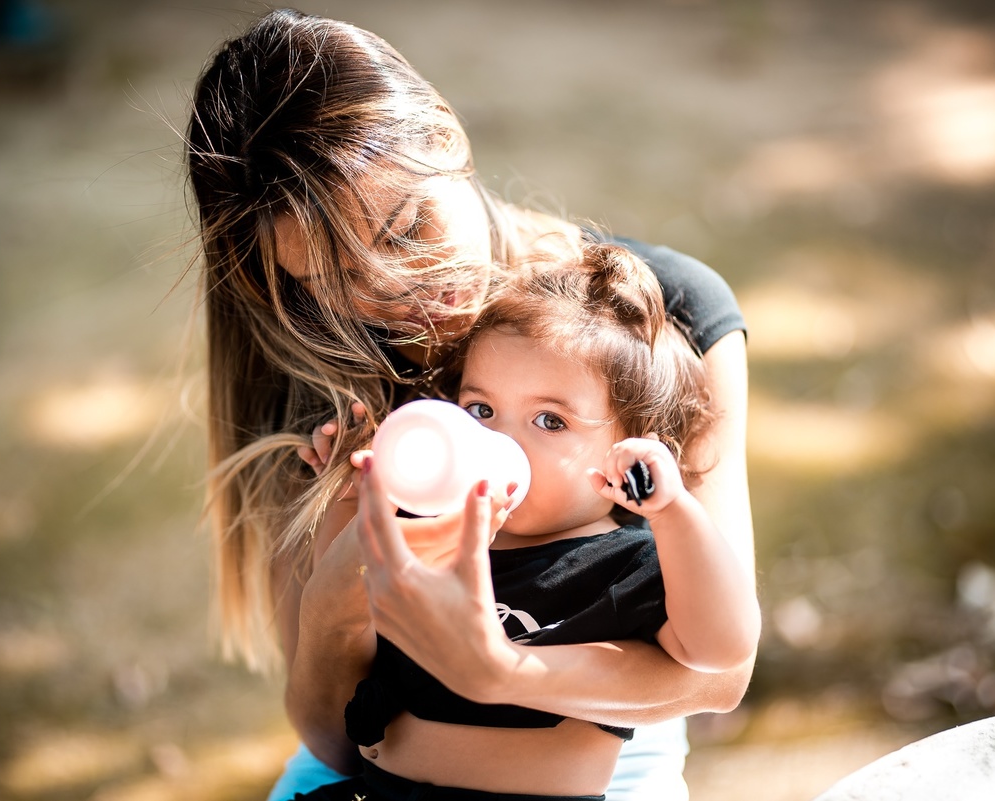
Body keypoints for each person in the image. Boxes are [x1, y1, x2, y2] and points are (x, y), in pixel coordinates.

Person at [184, 9, 755, 801]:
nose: (398, 289)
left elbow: (719, 676)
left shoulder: (659, 321)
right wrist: (335, 605)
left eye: (406, 226)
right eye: (337, 279)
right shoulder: (323, 383)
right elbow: (334, 742)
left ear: (445, 135)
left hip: (605, 742)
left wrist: (501, 671)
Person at [302, 243, 761, 801]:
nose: (498, 440)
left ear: (629, 449)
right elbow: (342, 595)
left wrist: (673, 512)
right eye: (481, 410)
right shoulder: (430, 526)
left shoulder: (623, 564)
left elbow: (721, 649)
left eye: (549, 420)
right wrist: (353, 495)